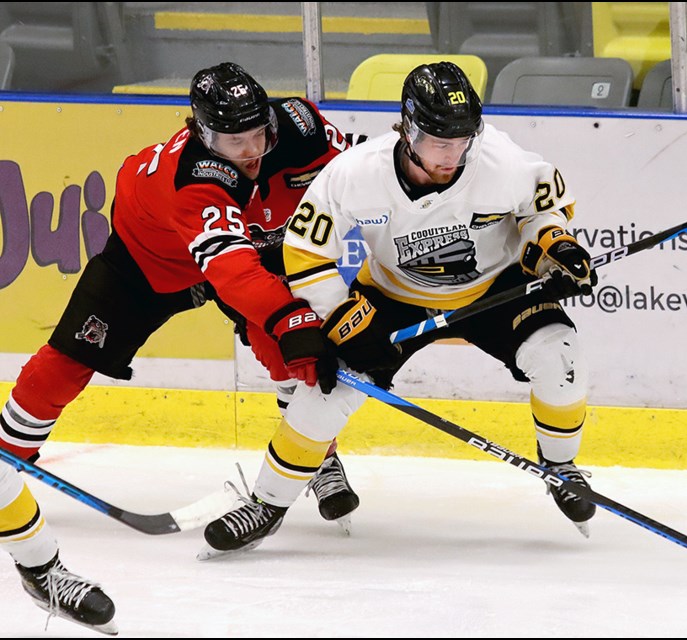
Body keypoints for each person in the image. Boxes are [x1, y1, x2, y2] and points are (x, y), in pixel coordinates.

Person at [0, 62, 359, 634]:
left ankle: (318, 452)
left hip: (251, 252)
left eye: (257, 135)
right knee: (64, 365)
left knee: (295, 353)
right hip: (151, 264)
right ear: (202, 132)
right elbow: (231, 268)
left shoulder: (301, 125)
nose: (249, 151)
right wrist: (290, 314)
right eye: (231, 141)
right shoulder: (193, 177)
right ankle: (6, 464)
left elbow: (363, 175)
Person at [201, 60, 599, 560]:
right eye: (439, 142)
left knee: (561, 357)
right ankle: (266, 504)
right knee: (328, 390)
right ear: (408, 129)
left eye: (462, 141)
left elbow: (543, 212)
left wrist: (554, 245)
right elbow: (305, 253)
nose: (452, 155)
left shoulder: (504, 162)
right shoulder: (354, 174)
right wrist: (340, 316)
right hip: (393, 295)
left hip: (493, 287)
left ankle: (560, 469)